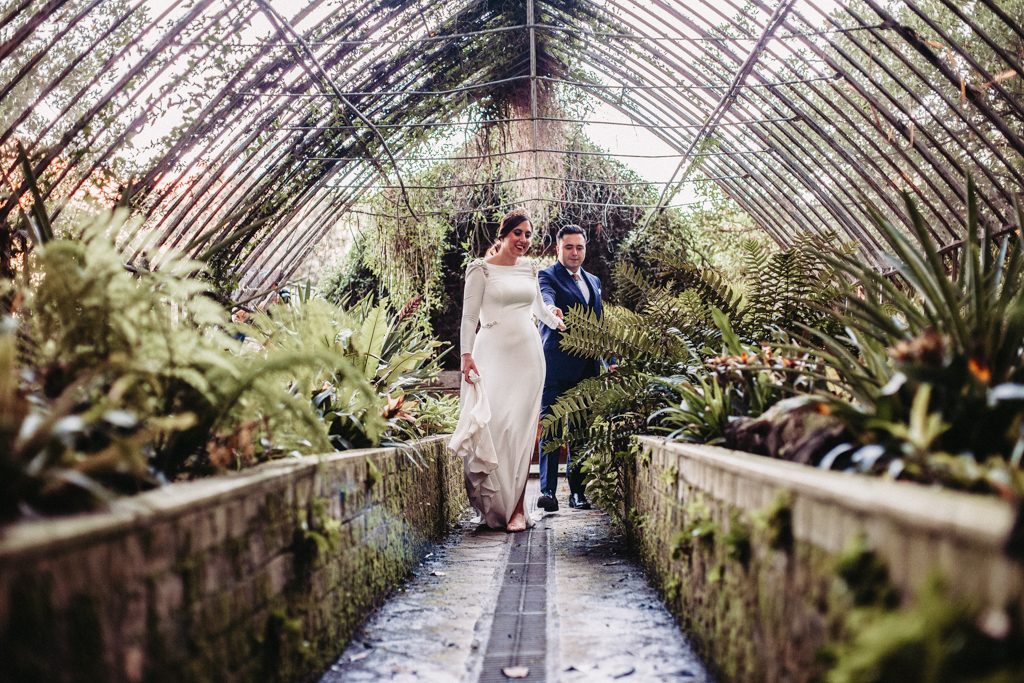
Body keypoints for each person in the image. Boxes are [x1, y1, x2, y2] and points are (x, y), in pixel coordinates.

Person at [448, 210, 565, 532]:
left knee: (521, 431)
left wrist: (556, 319)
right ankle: (494, 505)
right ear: (502, 236)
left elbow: (539, 310)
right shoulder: (480, 269)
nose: (524, 240)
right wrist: (466, 355)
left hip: (528, 357)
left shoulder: (530, 269)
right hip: (491, 355)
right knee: (494, 427)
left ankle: (516, 509)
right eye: (518, 233)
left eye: (528, 235)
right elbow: (469, 318)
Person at [536, 224, 611, 512]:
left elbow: (599, 326)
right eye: (569, 247)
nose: (575, 252)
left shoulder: (593, 281)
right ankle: (548, 492)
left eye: (579, 247)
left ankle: (578, 493)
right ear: (558, 248)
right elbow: (545, 298)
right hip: (554, 365)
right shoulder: (546, 275)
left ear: (585, 249)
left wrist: (610, 361)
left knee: (580, 431)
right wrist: (551, 310)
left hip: (586, 368)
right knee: (552, 428)